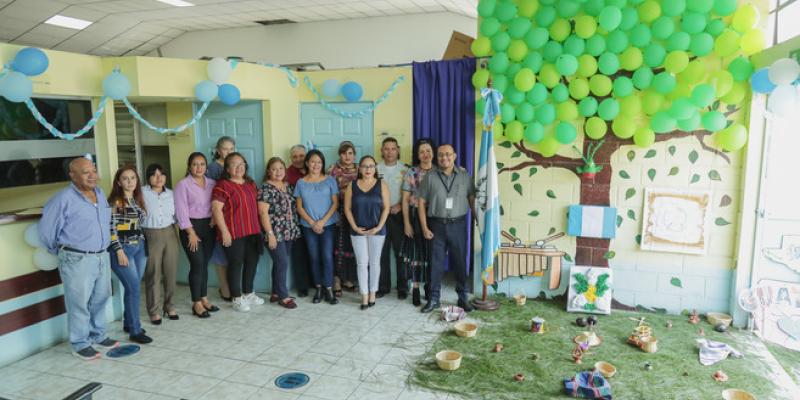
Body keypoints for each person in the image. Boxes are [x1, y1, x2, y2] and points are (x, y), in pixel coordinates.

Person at [39, 157, 121, 360]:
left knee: (100, 298)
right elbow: (46, 231)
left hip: (102, 255)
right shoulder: (63, 199)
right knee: (79, 303)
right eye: (86, 172)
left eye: (94, 170)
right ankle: (80, 343)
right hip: (77, 258)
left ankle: (98, 335)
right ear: (72, 175)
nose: (92, 175)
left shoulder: (99, 193)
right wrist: (62, 251)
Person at [417, 144, 476, 313]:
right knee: (435, 264)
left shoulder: (465, 176)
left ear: (454, 156)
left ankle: (462, 297)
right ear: (437, 157)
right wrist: (424, 227)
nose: (444, 158)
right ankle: (434, 298)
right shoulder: (430, 177)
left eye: (448, 154)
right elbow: (421, 203)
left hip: (458, 225)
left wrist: (477, 218)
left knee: (460, 262)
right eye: (441, 155)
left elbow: (471, 198)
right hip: (436, 225)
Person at [212, 152, 264, 313]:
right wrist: (225, 232)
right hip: (233, 233)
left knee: (252, 262)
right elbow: (216, 210)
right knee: (235, 264)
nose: (239, 167)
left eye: (241, 164)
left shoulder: (250, 183)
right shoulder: (222, 185)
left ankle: (248, 293)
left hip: (253, 231)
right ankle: (236, 297)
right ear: (227, 168)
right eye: (234, 164)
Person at [107, 166, 153, 344]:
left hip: (139, 247)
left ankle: (129, 322)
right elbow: (111, 229)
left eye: (133, 178)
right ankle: (135, 331)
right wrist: (118, 250)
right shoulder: (114, 202)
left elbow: (139, 225)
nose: (130, 181)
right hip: (123, 249)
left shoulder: (136, 199)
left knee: (132, 288)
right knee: (134, 288)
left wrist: (142, 245)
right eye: (125, 178)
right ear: (118, 182)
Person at [175, 152, 220, 318]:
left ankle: (204, 298)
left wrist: (215, 218)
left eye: (202, 164)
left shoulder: (212, 183)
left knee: (204, 263)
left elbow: (216, 204)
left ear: (206, 166)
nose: (199, 167)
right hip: (190, 228)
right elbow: (181, 211)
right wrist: (190, 232)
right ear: (189, 166)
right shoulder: (183, 185)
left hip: (209, 226)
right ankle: (196, 303)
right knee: (197, 263)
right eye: (195, 164)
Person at [344, 156, 390, 310]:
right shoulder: (352, 185)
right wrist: (355, 227)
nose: (368, 169)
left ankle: (372, 293)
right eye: (364, 166)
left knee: (375, 263)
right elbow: (347, 209)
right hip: (358, 231)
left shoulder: (381, 184)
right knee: (362, 263)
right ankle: (364, 295)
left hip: (377, 230)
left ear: (375, 168)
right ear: (359, 168)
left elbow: (386, 208)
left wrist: (378, 227)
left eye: (371, 166)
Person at [295, 149, 340, 305]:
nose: (316, 165)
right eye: (313, 161)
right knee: (314, 257)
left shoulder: (330, 180)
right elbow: (299, 207)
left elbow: (335, 203)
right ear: (307, 163)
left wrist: (321, 222)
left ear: (323, 164)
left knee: (327, 256)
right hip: (308, 226)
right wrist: (313, 223)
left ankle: (329, 288)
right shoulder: (301, 182)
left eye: (319, 162)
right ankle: (319, 288)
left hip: (327, 225)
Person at [258, 157, 301, 309]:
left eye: (281, 168)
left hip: (289, 231)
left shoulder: (287, 186)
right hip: (274, 232)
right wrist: (270, 234)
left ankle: (276, 292)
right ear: (269, 171)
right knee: (282, 261)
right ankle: (283, 296)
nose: (278, 172)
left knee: (280, 262)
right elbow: (263, 213)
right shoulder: (266, 188)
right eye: (274, 169)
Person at [141, 164, 180, 325]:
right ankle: (154, 310)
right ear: (148, 177)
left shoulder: (171, 194)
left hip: (170, 232)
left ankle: (169, 306)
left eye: (162, 174)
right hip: (151, 234)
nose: (159, 178)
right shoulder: (141, 193)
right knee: (153, 274)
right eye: (154, 175)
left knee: (170, 272)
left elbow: (178, 215)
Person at [400, 139, 436, 306]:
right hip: (415, 216)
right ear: (417, 154)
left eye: (428, 150)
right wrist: (407, 223)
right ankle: (415, 288)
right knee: (416, 253)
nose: (425, 154)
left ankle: (430, 286)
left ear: (433, 152)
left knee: (432, 254)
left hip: (435, 217)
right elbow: (405, 199)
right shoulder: (412, 172)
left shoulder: (439, 171)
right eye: (421, 151)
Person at [376, 137, 409, 299]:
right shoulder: (374, 168)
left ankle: (402, 287)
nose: (389, 152)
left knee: (400, 253)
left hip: (398, 215)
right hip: (380, 216)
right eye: (386, 149)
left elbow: (411, 192)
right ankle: (383, 286)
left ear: (398, 150)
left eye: (393, 149)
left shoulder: (406, 169)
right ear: (382, 151)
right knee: (381, 253)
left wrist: (399, 205)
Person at [206, 136, 235, 302]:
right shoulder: (212, 169)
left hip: (234, 216)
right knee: (221, 255)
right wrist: (214, 217)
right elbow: (208, 195)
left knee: (234, 254)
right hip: (218, 216)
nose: (229, 152)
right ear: (218, 150)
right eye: (225, 148)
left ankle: (234, 286)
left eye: (232, 148)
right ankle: (224, 288)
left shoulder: (236, 166)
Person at [328, 141, 358, 296]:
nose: (348, 156)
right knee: (337, 245)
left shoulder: (360, 169)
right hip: (337, 210)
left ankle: (348, 278)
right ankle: (336, 279)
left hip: (355, 212)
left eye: (351, 153)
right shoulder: (333, 170)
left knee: (351, 245)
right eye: (344, 153)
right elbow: (328, 191)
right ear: (340, 154)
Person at [286, 144, 312, 297]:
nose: (298, 159)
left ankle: (316, 281)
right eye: (295, 157)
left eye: (301, 156)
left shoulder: (314, 169)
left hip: (316, 219)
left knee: (315, 252)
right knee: (299, 252)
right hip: (296, 219)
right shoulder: (287, 174)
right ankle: (302, 285)